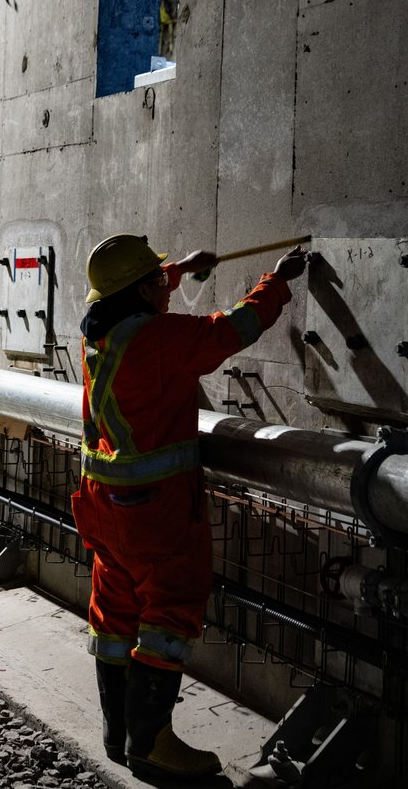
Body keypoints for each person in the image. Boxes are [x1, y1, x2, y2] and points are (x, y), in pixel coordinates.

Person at [73, 233, 306, 780]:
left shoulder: (100, 335)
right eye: (159, 281)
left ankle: (119, 734)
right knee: (166, 615)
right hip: (155, 515)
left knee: (115, 613)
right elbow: (234, 329)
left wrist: (176, 269)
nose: (167, 289)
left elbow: (132, 297)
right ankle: (150, 743)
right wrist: (277, 280)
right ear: (141, 290)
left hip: (103, 505)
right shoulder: (164, 339)